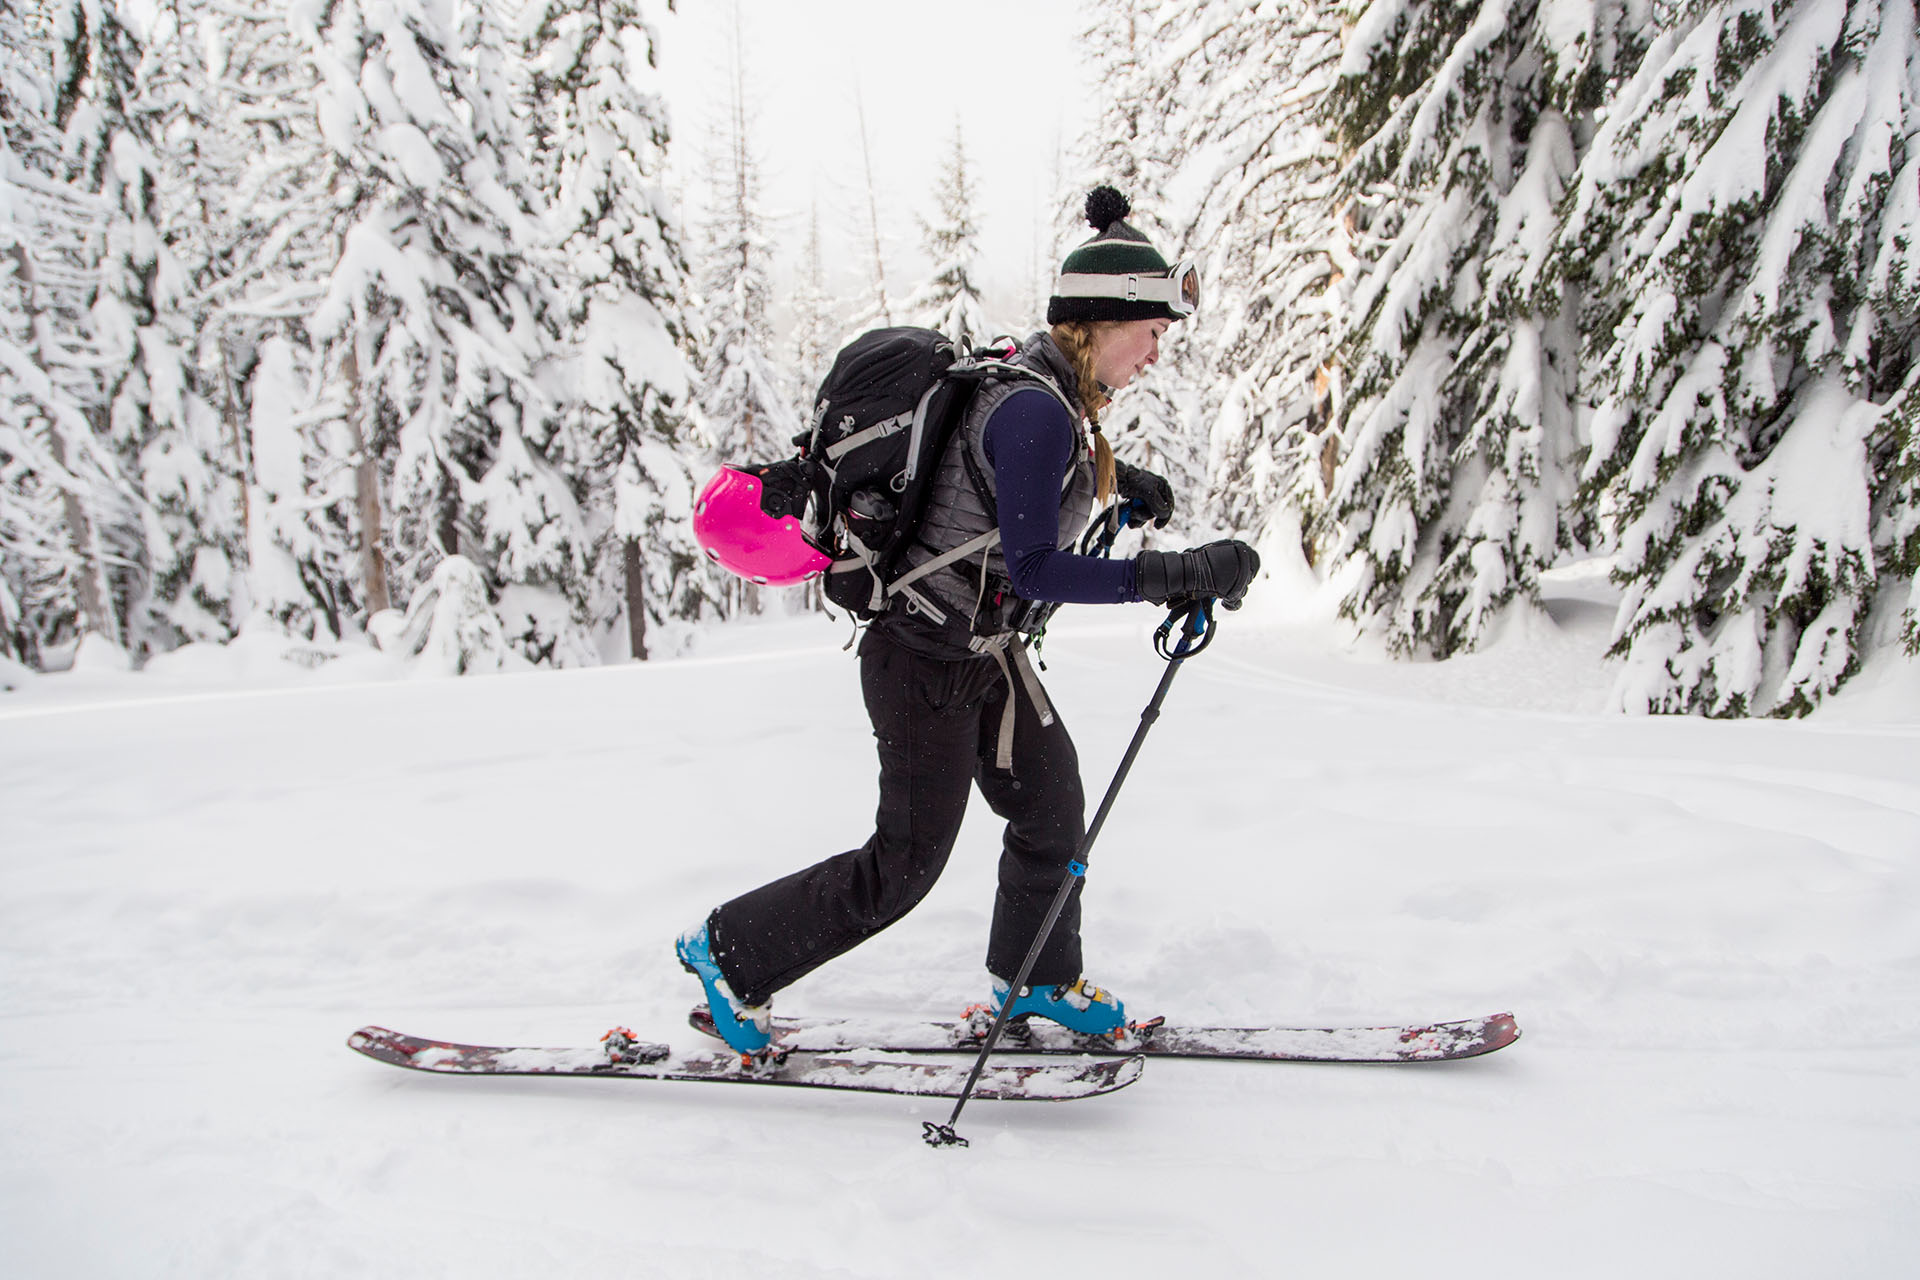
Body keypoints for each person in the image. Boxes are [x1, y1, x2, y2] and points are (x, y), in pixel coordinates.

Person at [678, 186, 1261, 1058]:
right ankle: (730, 956)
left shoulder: (1047, 398)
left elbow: (999, 490)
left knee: (1050, 802)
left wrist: (1118, 480)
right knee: (904, 864)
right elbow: (1033, 563)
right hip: (922, 657)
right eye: (1152, 332)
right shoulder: (1034, 408)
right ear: (1103, 322)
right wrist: (1175, 574)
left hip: (980, 651)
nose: (1155, 352)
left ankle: (1038, 977)